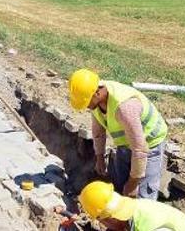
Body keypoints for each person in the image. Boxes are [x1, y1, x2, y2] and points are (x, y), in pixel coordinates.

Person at [69, 68, 168, 199]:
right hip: (126, 143)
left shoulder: (124, 107)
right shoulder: (96, 100)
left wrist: (133, 184)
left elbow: (140, 148)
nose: (86, 106)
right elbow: (98, 131)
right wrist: (99, 158)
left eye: (86, 102)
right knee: (120, 186)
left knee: (143, 195)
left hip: (149, 143)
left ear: (97, 93)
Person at [79, 181, 185, 231]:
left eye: (101, 221)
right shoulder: (136, 209)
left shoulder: (152, 227)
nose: (104, 226)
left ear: (111, 219)